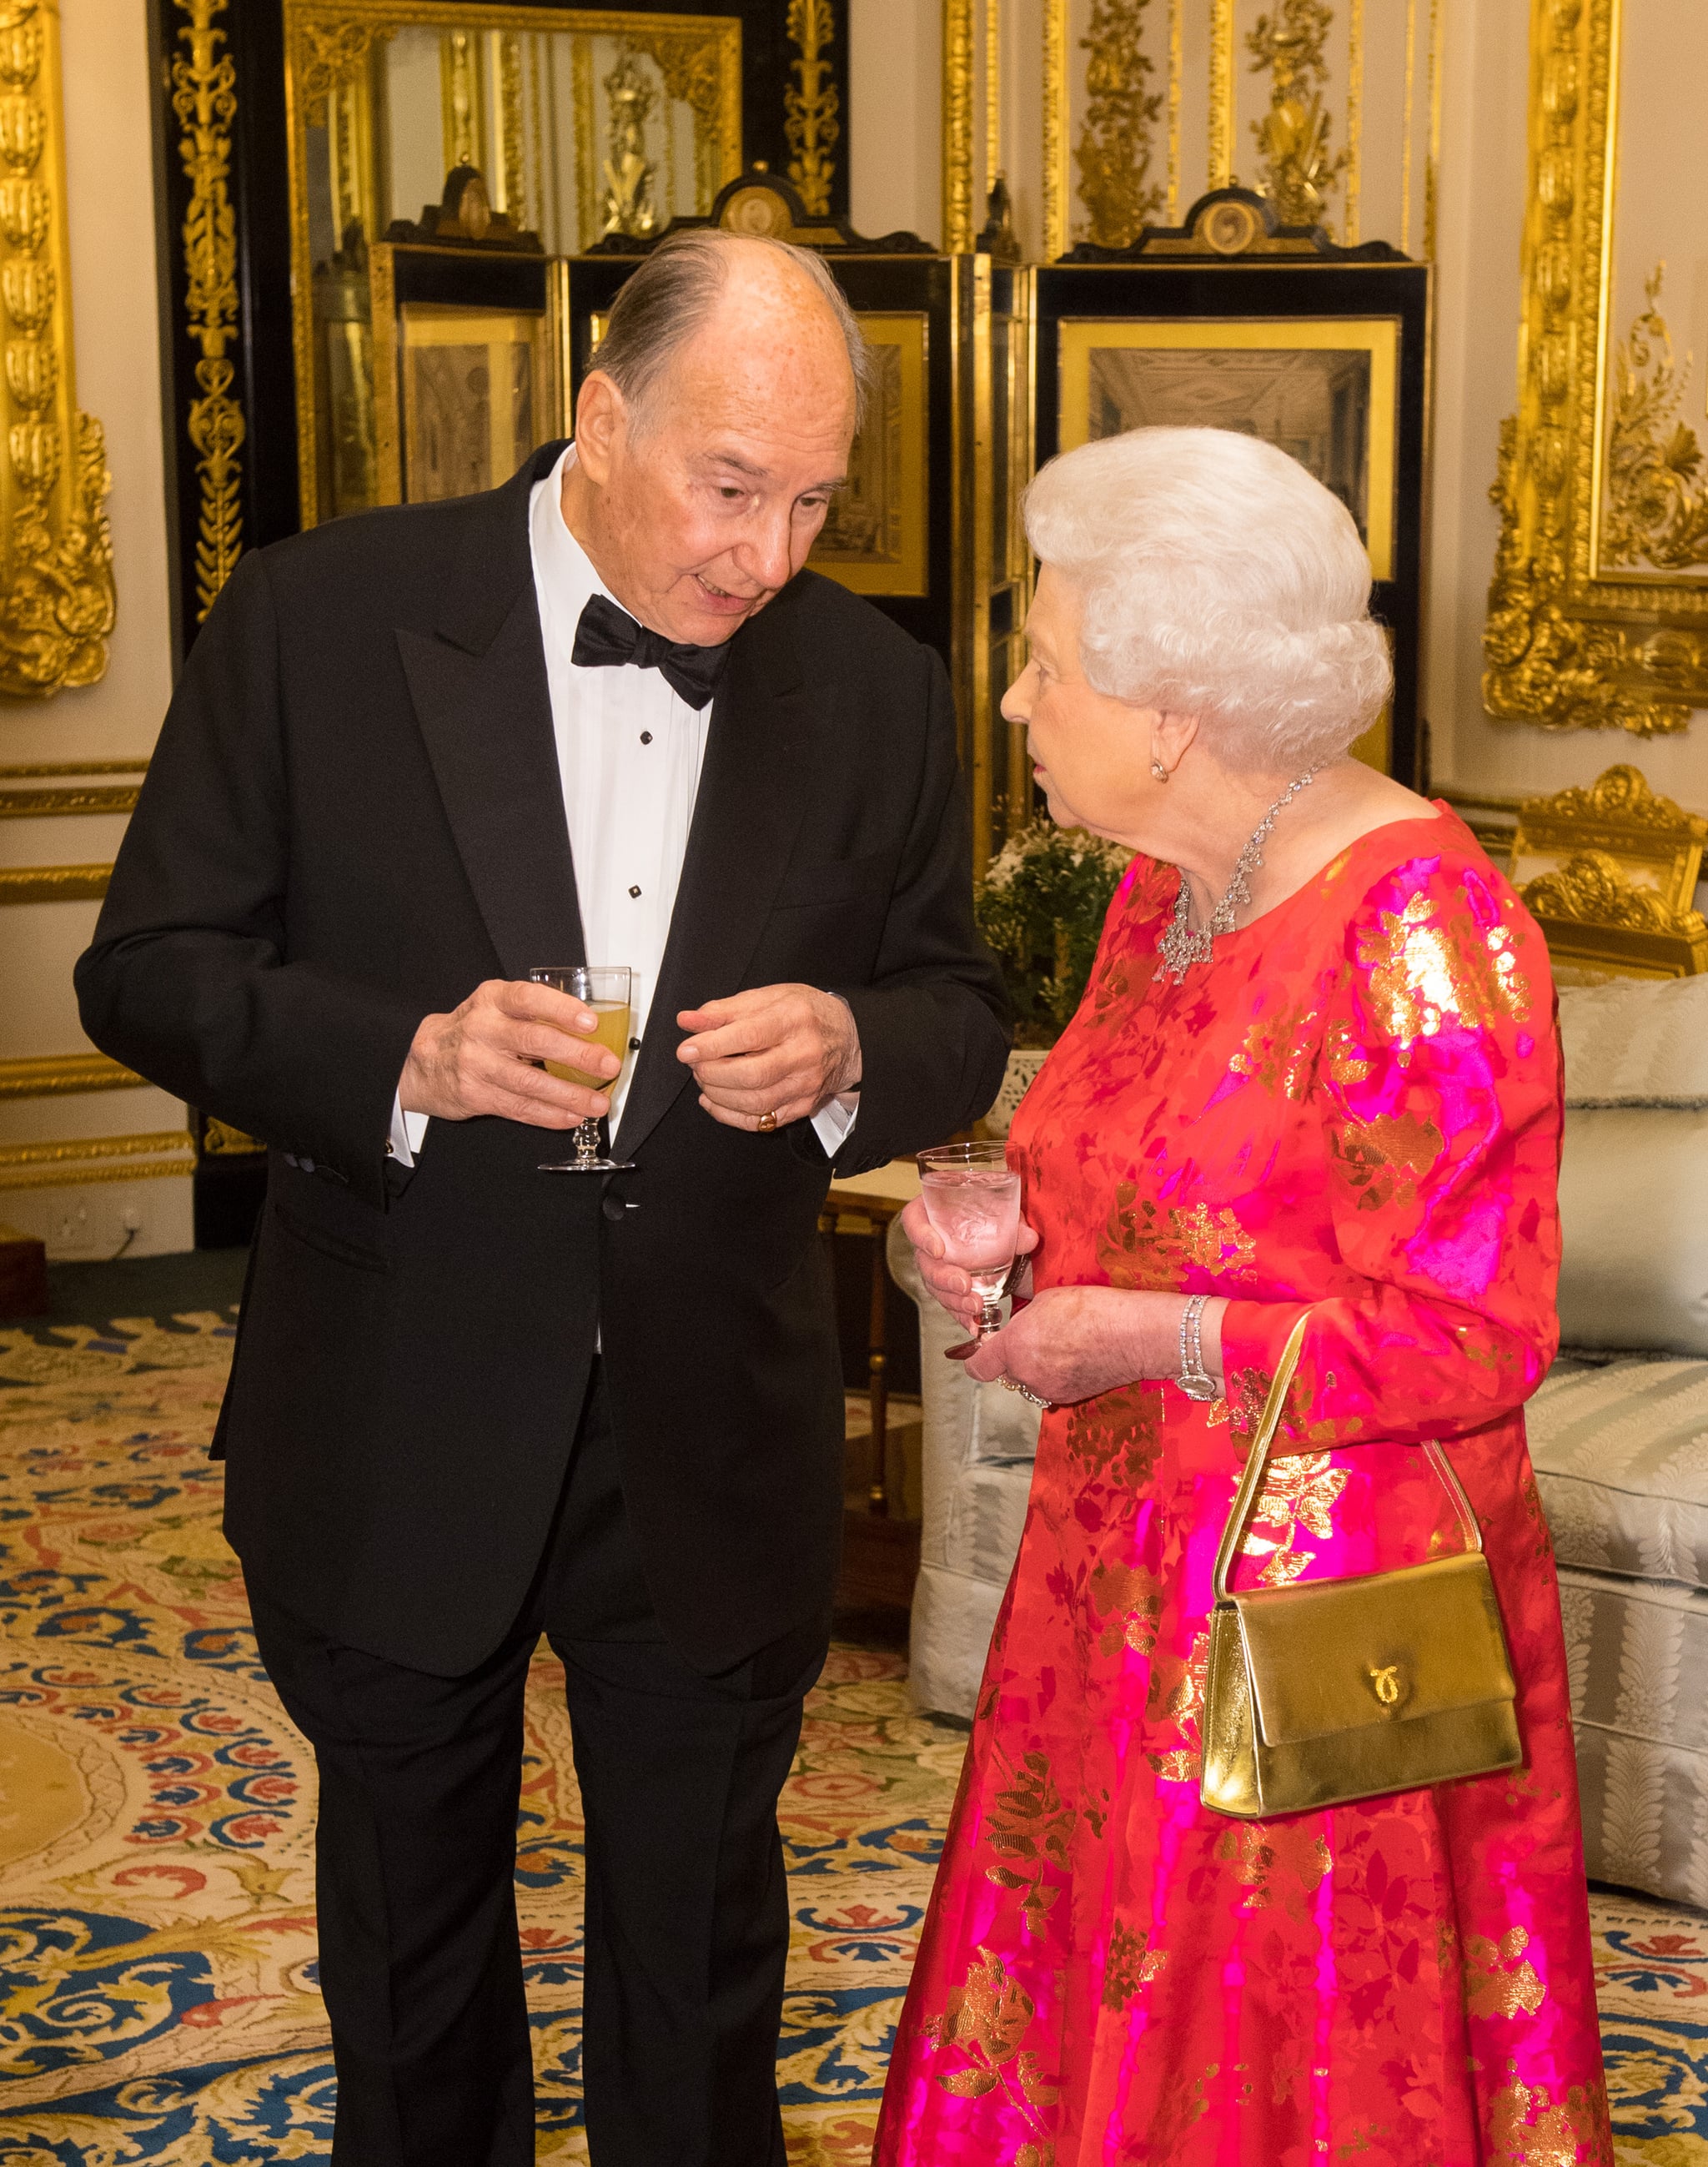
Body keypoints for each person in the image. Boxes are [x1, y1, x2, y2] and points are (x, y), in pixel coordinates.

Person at [76, 229, 1007, 2167]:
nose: (766, 556)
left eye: (816, 500)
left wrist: (848, 1043)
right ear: (601, 414)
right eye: (729, 486)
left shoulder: (875, 684)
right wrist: (397, 1062)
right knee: (408, 1969)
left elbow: (955, 1010)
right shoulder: (318, 615)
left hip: (716, 1422)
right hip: (403, 1405)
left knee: (698, 1972)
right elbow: (149, 967)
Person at [876, 427, 1612, 2164]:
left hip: (1316, 1633)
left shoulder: (1423, 923)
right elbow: (1176, 1196)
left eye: (1043, 668)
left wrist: (1144, 1336)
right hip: (1117, 1573)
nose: (1014, 705)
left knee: (1281, 2065)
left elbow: (1470, 1336)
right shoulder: (1167, 886)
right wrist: (1014, 1224)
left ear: (1168, 709)